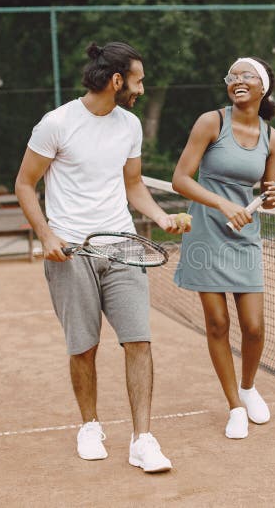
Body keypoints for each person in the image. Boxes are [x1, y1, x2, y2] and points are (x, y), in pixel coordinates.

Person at [15, 41, 189, 472]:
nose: (142, 88)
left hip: (123, 247)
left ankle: (142, 439)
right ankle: (89, 425)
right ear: (116, 81)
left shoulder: (129, 125)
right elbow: (24, 184)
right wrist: (47, 234)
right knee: (83, 347)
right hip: (71, 251)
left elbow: (132, 184)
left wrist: (161, 218)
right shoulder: (56, 124)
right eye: (138, 79)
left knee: (139, 341)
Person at [171, 56, 275, 439]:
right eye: (232, 75)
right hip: (206, 232)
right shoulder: (211, 122)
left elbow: (267, 196)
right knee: (218, 324)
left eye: (247, 75)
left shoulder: (273, 139)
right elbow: (180, 180)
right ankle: (234, 407)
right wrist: (221, 203)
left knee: (253, 327)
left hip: (244, 237)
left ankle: (248, 387)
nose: (238, 79)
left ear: (262, 86)